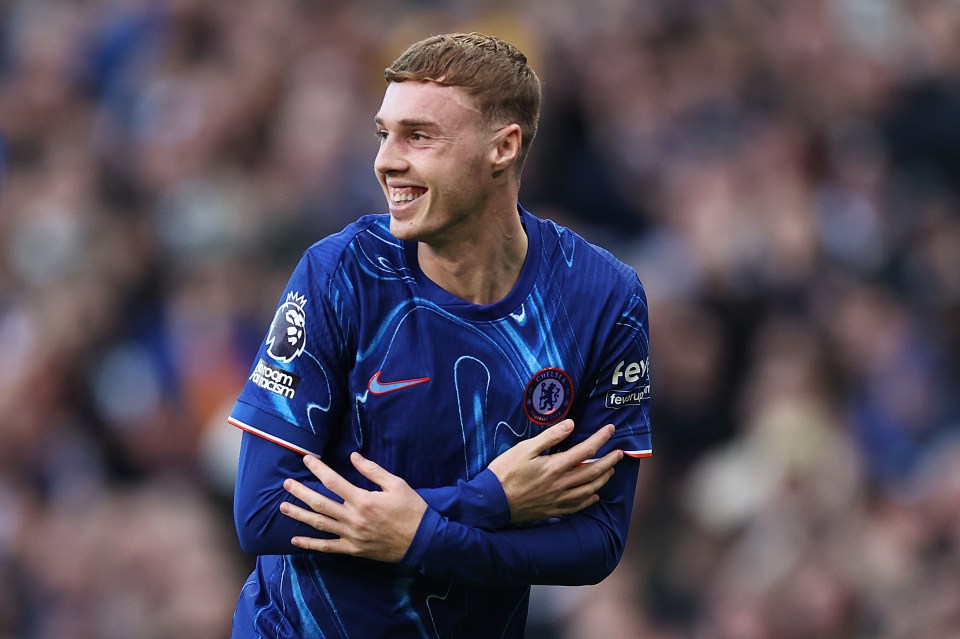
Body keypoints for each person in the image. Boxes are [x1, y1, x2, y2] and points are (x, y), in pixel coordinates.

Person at [227, 32, 652, 638]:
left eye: (418, 136)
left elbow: (598, 540)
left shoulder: (602, 298)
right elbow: (264, 512)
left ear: (502, 148)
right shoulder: (340, 273)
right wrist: (484, 504)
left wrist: (423, 534)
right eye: (384, 134)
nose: (386, 160)